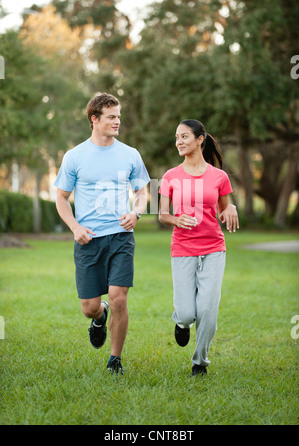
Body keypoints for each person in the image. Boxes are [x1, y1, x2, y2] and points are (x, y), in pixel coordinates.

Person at [54, 92, 150, 375]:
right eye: (111, 117)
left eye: (118, 116)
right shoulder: (75, 156)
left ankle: (114, 360)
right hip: (88, 240)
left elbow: (143, 191)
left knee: (120, 296)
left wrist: (136, 213)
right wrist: (75, 227)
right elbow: (61, 198)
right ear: (94, 119)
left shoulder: (130, 154)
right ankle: (99, 316)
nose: (117, 121)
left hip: (120, 237)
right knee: (89, 306)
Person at [159, 119, 239, 376]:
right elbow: (162, 214)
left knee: (207, 311)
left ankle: (199, 362)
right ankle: (180, 323)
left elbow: (225, 207)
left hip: (214, 247)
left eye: (184, 136)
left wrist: (231, 208)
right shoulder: (171, 176)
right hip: (182, 247)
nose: (178, 142)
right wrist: (175, 219)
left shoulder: (219, 176)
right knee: (186, 313)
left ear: (200, 139)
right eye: (176, 137)